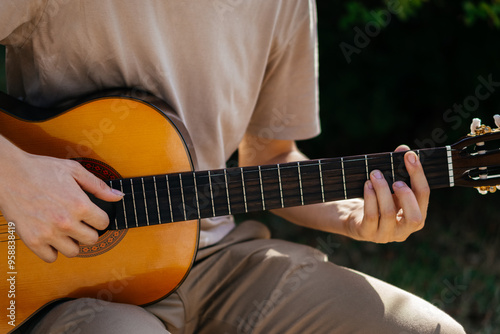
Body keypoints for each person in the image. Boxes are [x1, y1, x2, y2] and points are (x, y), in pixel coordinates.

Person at [0, 1, 466, 333]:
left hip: (219, 260)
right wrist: (15, 176)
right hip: (67, 283)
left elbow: (269, 155)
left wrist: (350, 215)